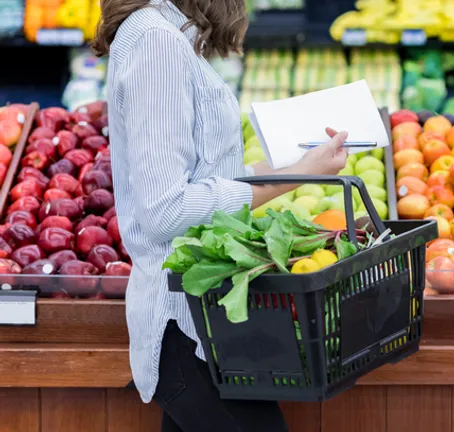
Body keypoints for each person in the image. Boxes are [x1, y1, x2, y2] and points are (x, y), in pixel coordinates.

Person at [93, 1, 348, 430]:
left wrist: (300, 166)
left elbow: (206, 179)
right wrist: (294, 179)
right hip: (184, 324)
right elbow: (165, 210)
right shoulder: (157, 42)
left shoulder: (166, 36)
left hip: (208, 321)